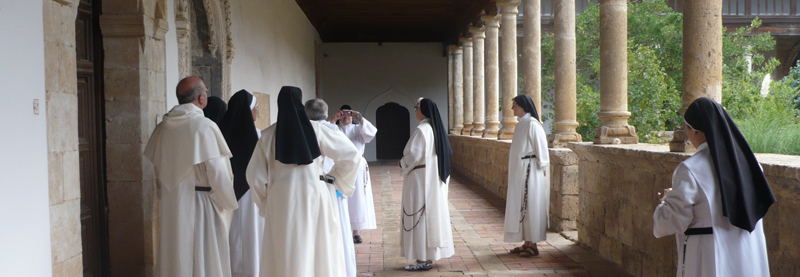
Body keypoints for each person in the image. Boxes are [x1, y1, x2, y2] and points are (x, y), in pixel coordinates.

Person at [653, 97, 774, 277]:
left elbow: (674, 220)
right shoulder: (751, 164)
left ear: (693, 131)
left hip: (707, 256)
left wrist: (665, 202)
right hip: (747, 252)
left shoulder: (689, 169)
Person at [246, 87, 360, 277]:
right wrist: (332, 179)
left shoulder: (267, 136)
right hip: (315, 194)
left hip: (280, 200)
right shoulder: (318, 130)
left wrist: (266, 203)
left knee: (285, 252)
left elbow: (254, 177)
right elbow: (351, 156)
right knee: (319, 250)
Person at [143, 76, 238, 276]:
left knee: (176, 254)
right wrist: (228, 203)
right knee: (203, 257)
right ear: (202, 98)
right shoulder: (205, 127)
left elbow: (157, 170)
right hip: (203, 204)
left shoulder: (162, 129)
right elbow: (219, 174)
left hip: (173, 203)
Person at [399, 98, 454, 271]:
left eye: (416, 108)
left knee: (419, 216)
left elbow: (413, 154)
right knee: (429, 216)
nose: (414, 111)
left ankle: (422, 258)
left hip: (419, 180)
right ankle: (427, 256)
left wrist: (402, 163)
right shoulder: (434, 129)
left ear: (422, 110)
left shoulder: (422, 129)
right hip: (429, 178)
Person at [305, 98, 357, 277]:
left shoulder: (302, 130)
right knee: (334, 230)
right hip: (328, 184)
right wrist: (335, 179)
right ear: (326, 114)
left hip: (311, 187)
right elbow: (351, 157)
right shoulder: (333, 131)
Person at [220, 90, 265, 277]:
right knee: (251, 236)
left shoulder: (221, 131)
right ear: (249, 110)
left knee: (234, 235)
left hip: (229, 193)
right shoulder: (257, 135)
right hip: (252, 193)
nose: (257, 111)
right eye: (256, 107)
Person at [503, 95, 550, 257]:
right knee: (521, 205)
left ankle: (534, 244)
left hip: (531, 171)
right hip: (520, 171)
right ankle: (526, 242)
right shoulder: (521, 125)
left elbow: (541, 148)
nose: (512, 108)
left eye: (514, 105)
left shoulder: (533, 125)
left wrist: (542, 166)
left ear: (522, 107)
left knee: (531, 205)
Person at [332, 104, 378, 243]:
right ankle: (340, 228)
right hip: (339, 167)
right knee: (340, 197)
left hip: (357, 167)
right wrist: (334, 120)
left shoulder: (358, 129)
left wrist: (359, 117)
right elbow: (325, 132)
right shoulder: (335, 129)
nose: (346, 116)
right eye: (343, 113)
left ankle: (356, 231)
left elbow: (371, 132)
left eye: (349, 114)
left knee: (357, 198)